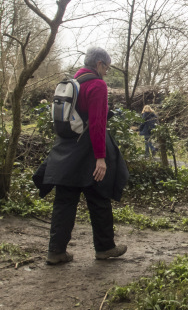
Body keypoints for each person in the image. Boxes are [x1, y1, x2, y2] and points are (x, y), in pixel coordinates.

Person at [42, 47, 129, 264]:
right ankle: (105, 248)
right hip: (88, 151)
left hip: (65, 151)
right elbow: (97, 125)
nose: (107, 72)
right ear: (99, 64)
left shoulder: (74, 82)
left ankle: (56, 251)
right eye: (107, 67)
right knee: (99, 198)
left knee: (64, 202)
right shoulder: (97, 85)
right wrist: (101, 158)